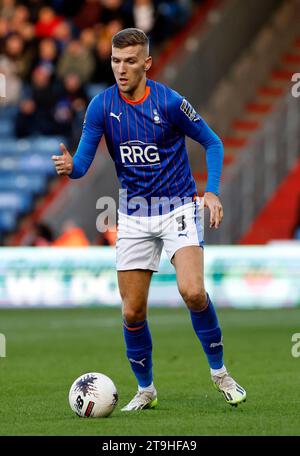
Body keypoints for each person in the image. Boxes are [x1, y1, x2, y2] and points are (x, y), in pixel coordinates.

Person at [52, 28, 246, 411]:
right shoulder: (100, 106)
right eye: (114, 61)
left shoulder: (171, 103)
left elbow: (213, 142)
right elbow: (83, 164)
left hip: (177, 207)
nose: (120, 69)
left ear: (146, 63)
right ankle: (146, 390)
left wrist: (213, 190)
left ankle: (220, 373)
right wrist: (72, 167)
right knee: (132, 311)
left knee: (192, 292)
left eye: (128, 61)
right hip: (134, 214)